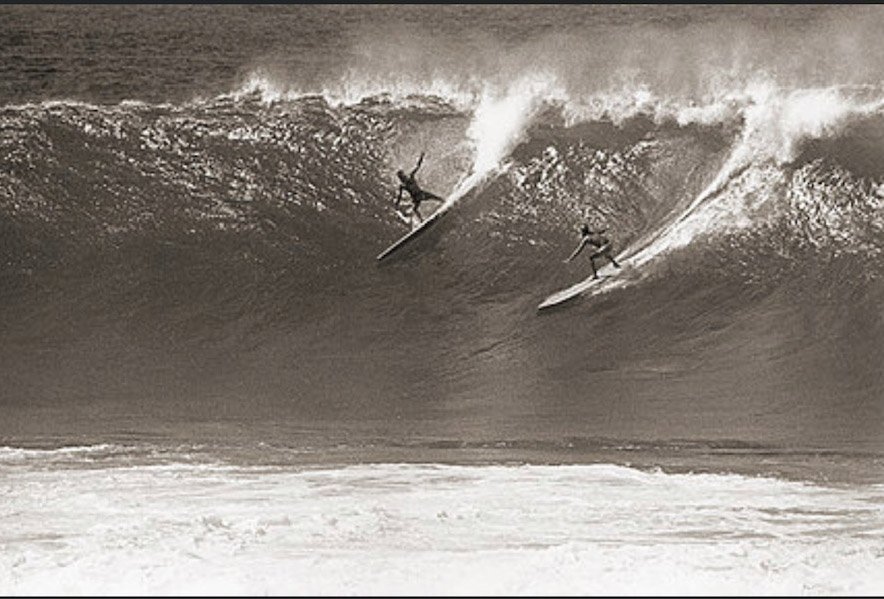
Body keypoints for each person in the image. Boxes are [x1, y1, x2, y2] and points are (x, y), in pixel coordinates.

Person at [395, 152, 442, 221]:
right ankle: (421, 221)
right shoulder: (403, 186)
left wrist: (421, 158)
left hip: (421, 193)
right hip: (415, 198)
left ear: (404, 175)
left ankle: (445, 202)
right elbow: (399, 196)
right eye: (401, 178)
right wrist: (397, 204)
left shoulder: (411, 176)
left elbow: (417, 166)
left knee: (435, 197)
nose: (403, 178)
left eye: (403, 176)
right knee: (415, 209)